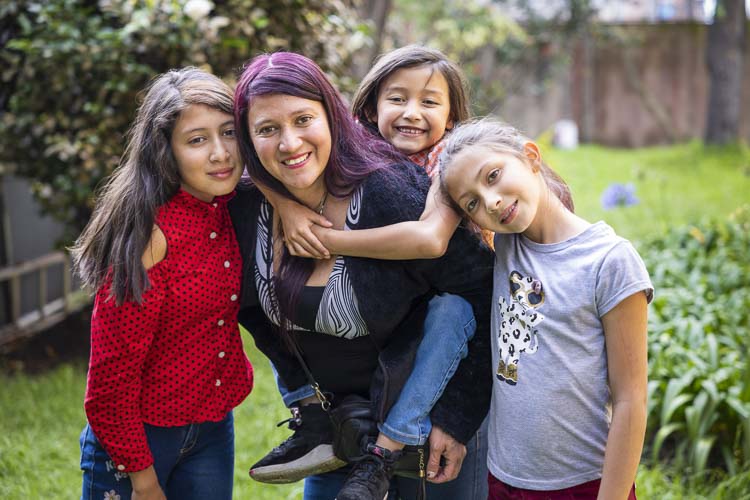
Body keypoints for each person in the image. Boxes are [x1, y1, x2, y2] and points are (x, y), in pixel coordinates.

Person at [229, 52, 494, 500]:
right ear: (248, 140)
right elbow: (252, 310)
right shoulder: (248, 208)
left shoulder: (389, 192)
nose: (290, 143)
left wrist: (456, 417)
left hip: (430, 428)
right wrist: (311, 406)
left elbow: (483, 289)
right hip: (340, 432)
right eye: (268, 129)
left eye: (303, 119)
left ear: (331, 116)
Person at [437, 118, 652, 499]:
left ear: (531, 156)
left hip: (584, 484)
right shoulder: (503, 247)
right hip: (504, 480)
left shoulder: (609, 261)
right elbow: (429, 232)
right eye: (473, 202)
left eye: (493, 176)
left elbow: (631, 400)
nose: (491, 201)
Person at [72, 67, 253, 500]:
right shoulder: (152, 237)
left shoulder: (230, 207)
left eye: (229, 132)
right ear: (165, 151)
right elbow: (108, 385)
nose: (220, 153)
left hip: (212, 427)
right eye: (197, 140)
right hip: (140, 441)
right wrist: (143, 479)